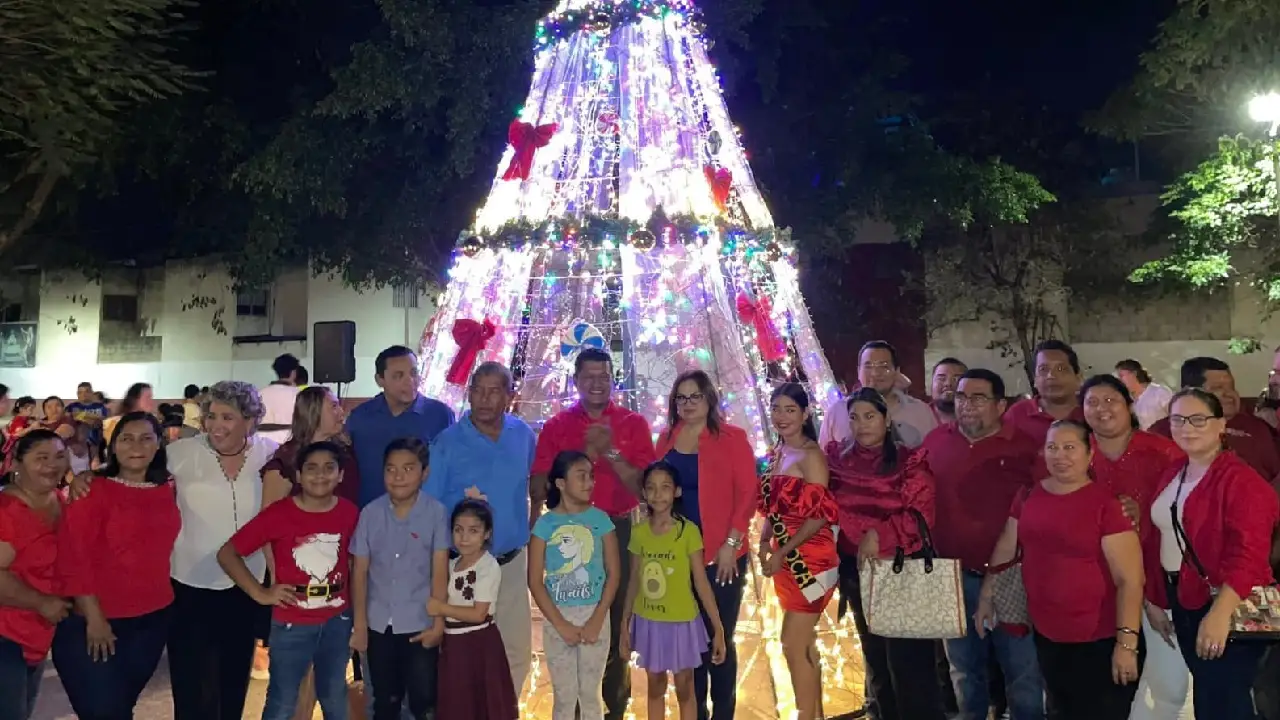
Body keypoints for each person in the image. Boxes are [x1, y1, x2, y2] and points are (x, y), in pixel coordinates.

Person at [976, 420, 1144, 718]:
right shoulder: (1029, 496)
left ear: (1089, 453)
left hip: (1100, 639)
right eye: (1052, 447)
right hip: (1048, 635)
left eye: (1070, 448)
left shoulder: (1107, 505)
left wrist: (1126, 645)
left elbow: (1130, 580)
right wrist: (987, 596)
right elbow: (1006, 546)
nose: (1060, 456)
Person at [531, 347, 655, 720]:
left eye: (604, 376)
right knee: (566, 615)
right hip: (564, 534)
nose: (597, 383)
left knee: (615, 619)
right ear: (576, 381)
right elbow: (539, 487)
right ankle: (569, 706)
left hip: (614, 528)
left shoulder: (633, 424)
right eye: (589, 376)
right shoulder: (556, 426)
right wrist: (584, 453)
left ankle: (612, 707)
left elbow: (644, 491)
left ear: (613, 379)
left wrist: (612, 452)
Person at [921, 368, 1045, 720]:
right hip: (951, 576)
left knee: (1022, 673)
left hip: (1011, 577)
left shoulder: (1024, 447)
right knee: (963, 672)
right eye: (961, 397)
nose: (968, 405)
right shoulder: (935, 442)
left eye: (979, 397)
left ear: (1000, 405)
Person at [1146, 388, 1278, 719]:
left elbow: (1249, 554)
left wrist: (1220, 614)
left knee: (1226, 701)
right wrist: (1156, 598)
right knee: (1209, 695)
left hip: (1226, 602)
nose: (1186, 427)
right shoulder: (1175, 471)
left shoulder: (1240, 481)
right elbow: (1162, 537)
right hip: (1185, 597)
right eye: (1177, 419)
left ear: (1221, 424)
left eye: (1198, 419)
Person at [219, 440, 359, 720]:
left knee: (334, 695)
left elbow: (355, 562)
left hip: (337, 620)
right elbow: (228, 553)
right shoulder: (280, 513)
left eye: (329, 468)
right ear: (298, 475)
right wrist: (261, 593)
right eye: (311, 468)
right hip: (291, 623)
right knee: (283, 699)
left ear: (341, 475)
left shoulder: (349, 513)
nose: (320, 475)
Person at [827, 387, 944, 720]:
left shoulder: (909, 460)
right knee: (877, 664)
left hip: (902, 571)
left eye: (870, 416)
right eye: (854, 417)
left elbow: (922, 514)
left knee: (911, 671)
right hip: (857, 574)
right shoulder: (837, 460)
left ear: (886, 418)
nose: (862, 425)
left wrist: (879, 534)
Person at [54, 412, 180, 719]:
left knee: (122, 707)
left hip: (152, 620)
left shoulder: (168, 488)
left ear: (158, 444)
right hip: (95, 622)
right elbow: (74, 556)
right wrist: (95, 619)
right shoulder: (92, 490)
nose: (136, 445)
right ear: (112, 446)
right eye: (126, 438)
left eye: (146, 437)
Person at [1079, 374, 1191, 720]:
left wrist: (1143, 514)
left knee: (1169, 684)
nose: (1102, 409)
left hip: (1158, 580)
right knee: (1102, 685)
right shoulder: (1075, 454)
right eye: (1092, 402)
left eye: (1111, 400)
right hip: (1095, 586)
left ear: (1130, 405)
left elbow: (1185, 516)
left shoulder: (1163, 452)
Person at [167, 380, 280, 720]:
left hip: (247, 584)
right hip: (189, 583)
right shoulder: (180, 453)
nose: (216, 425)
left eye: (227, 417)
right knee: (190, 685)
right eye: (211, 416)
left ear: (250, 419)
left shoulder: (271, 453)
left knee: (233, 680)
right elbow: (131, 473)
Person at [426, 362, 537, 694]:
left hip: (511, 562)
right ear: (469, 393)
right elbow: (430, 507)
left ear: (508, 395)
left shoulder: (524, 436)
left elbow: (533, 489)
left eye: (494, 391)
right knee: (464, 651)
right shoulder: (447, 442)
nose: (485, 399)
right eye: (478, 390)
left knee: (515, 649)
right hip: (463, 566)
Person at [652, 370, 757, 720]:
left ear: (709, 398)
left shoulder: (732, 437)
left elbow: (747, 494)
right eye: (681, 398)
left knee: (719, 636)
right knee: (688, 641)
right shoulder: (666, 439)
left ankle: (723, 712)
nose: (687, 404)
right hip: (679, 557)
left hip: (722, 555)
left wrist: (731, 542)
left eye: (694, 396)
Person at [351, 438, 450, 720]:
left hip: (419, 623)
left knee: (422, 702)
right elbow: (360, 572)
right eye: (391, 469)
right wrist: (360, 625)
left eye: (408, 469)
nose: (398, 477)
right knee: (384, 700)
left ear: (424, 473)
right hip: (377, 624)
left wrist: (438, 624)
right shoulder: (370, 513)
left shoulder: (436, 513)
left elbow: (440, 571)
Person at [620, 461, 726, 720]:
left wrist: (718, 628)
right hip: (649, 622)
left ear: (677, 492)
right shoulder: (639, 532)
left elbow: (701, 581)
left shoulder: (687, 532)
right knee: (655, 688)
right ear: (644, 493)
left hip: (682, 623)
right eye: (651, 488)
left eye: (665, 487)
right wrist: (625, 623)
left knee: (685, 689)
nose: (658, 494)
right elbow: (634, 579)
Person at [758, 383, 839, 720]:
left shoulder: (811, 456)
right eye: (776, 408)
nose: (782, 416)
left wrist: (782, 551)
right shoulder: (779, 452)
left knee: (792, 644)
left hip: (810, 560)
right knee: (803, 646)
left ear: (805, 414)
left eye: (790, 409)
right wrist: (765, 540)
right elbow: (775, 507)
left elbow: (820, 516)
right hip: (786, 560)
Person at [530, 450, 620, 720]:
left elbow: (613, 574)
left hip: (595, 614)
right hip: (558, 617)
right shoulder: (545, 525)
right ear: (560, 482)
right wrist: (561, 624)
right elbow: (534, 581)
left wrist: (597, 619)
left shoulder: (601, 520)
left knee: (591, 696)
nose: (589, 482)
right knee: (564, 698)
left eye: (591, 476)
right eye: (581, 476)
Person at [0, 430, 72, 720]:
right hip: (5, 634)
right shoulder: (7, 511)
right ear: (16, 463)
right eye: (41, 458)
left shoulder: (58, 499)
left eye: (58, 457)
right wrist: (41, 602)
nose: (52, 465)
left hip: (37, 633)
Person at [431, 499, 519, 719]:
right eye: (458, 530)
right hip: (454, 644)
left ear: (486, 534)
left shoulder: (488, 566)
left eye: (473, 531)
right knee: (458, 704)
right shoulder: (451, 565)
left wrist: (441, 607)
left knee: (482, 705)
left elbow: (479, 614)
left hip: (479, 644)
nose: (464, 537)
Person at [348, 346, 455, 508]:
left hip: (424, 517)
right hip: (370, 517)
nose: (410, 381)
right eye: (398, 376)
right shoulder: (360, 417)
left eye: (414, 373)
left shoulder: (440, 415)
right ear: (380, 380)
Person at [1148, 357, 1280, 482]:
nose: (1230, 394)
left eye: (1232, 387)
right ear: (1190, 392)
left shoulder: (1259, 429)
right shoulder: (1163, 433)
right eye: (1217, 388)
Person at [819, 341, 937, 448]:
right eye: (868, 367)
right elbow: (824, 460)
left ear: (897, 371)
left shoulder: (921, 412)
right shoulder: (837, 412)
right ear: (858, 371)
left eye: (883, 366)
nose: (875, 373)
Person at [263, 386, 360, 507]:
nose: (341, 412)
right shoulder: (286, 461)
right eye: (334, 406)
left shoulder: (346, 453)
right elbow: (268, 516)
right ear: (314, 412)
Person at [1003, 340, 1085, 442]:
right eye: (1043, 370)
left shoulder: (1091, 412)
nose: (1051, 376)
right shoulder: (1017, 415)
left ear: (1078, 378)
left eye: (1061, 369)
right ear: (1035, 380)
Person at [1115, 360, 1174, 431]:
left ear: (1134, 374)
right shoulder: (1126, 399)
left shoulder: (1159, 392)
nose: (1119, 380)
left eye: (1121, 376)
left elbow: (1175, 417)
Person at [259, 354, 302, 444]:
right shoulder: (300, 395)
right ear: (294, 372)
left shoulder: (259, 393)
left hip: (260, 443)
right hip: (288, 444)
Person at [101, 383, 156, 447]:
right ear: (134, 400)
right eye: (147, 397)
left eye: (151, 398)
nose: (151, 402)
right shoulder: (113, 423)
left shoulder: (152, 424)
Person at [66, 382, 108, 457]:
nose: (83, 395)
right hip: (78, 445)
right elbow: (69, 418)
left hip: (97, 443)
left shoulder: (100, 406)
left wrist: (81, 415)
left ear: (92, 393)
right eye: (80, 392)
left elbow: (104, 419)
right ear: (77, 394)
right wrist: (93, 419)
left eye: (87, 391)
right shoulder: (72, 406)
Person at [929, 357, 967, 425]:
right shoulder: (917, 415)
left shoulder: (978, 419)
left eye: (957, 379)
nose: (948, 384)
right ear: (931, 384)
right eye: (941, 378)